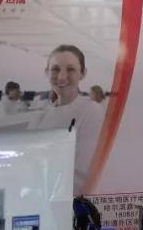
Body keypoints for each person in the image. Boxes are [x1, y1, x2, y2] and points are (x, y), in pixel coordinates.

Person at [31, 44, 105, 196]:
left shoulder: (91, 111)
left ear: (82, 74)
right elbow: (30, 163)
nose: (61, 77)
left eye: (71, 69)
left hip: (66, 201)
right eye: (55, 69)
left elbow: (83, 174)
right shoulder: (40, 117)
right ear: (46, 72)